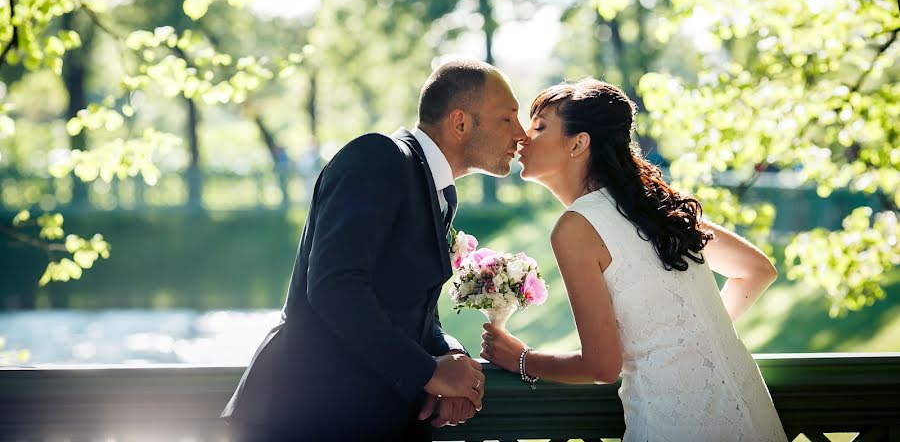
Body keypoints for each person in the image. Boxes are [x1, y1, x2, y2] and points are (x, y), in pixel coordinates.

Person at [222, 59, 527, 441]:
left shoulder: (439, 194)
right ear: (460, 122)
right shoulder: (378, 157)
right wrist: (429, 373)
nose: (522, 134)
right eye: (507, 118)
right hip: (309, 416)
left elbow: (415, 312)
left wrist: (453, 358)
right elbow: (336, 287)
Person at [480, 78, 788, 442]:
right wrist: (688, 334)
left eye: (541, 127)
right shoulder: (656, 207)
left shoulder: (576, 227)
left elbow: (602, 366)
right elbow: (756, 271)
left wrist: (521, 359)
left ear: (579, 143)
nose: (523, 138)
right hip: (751, 410)